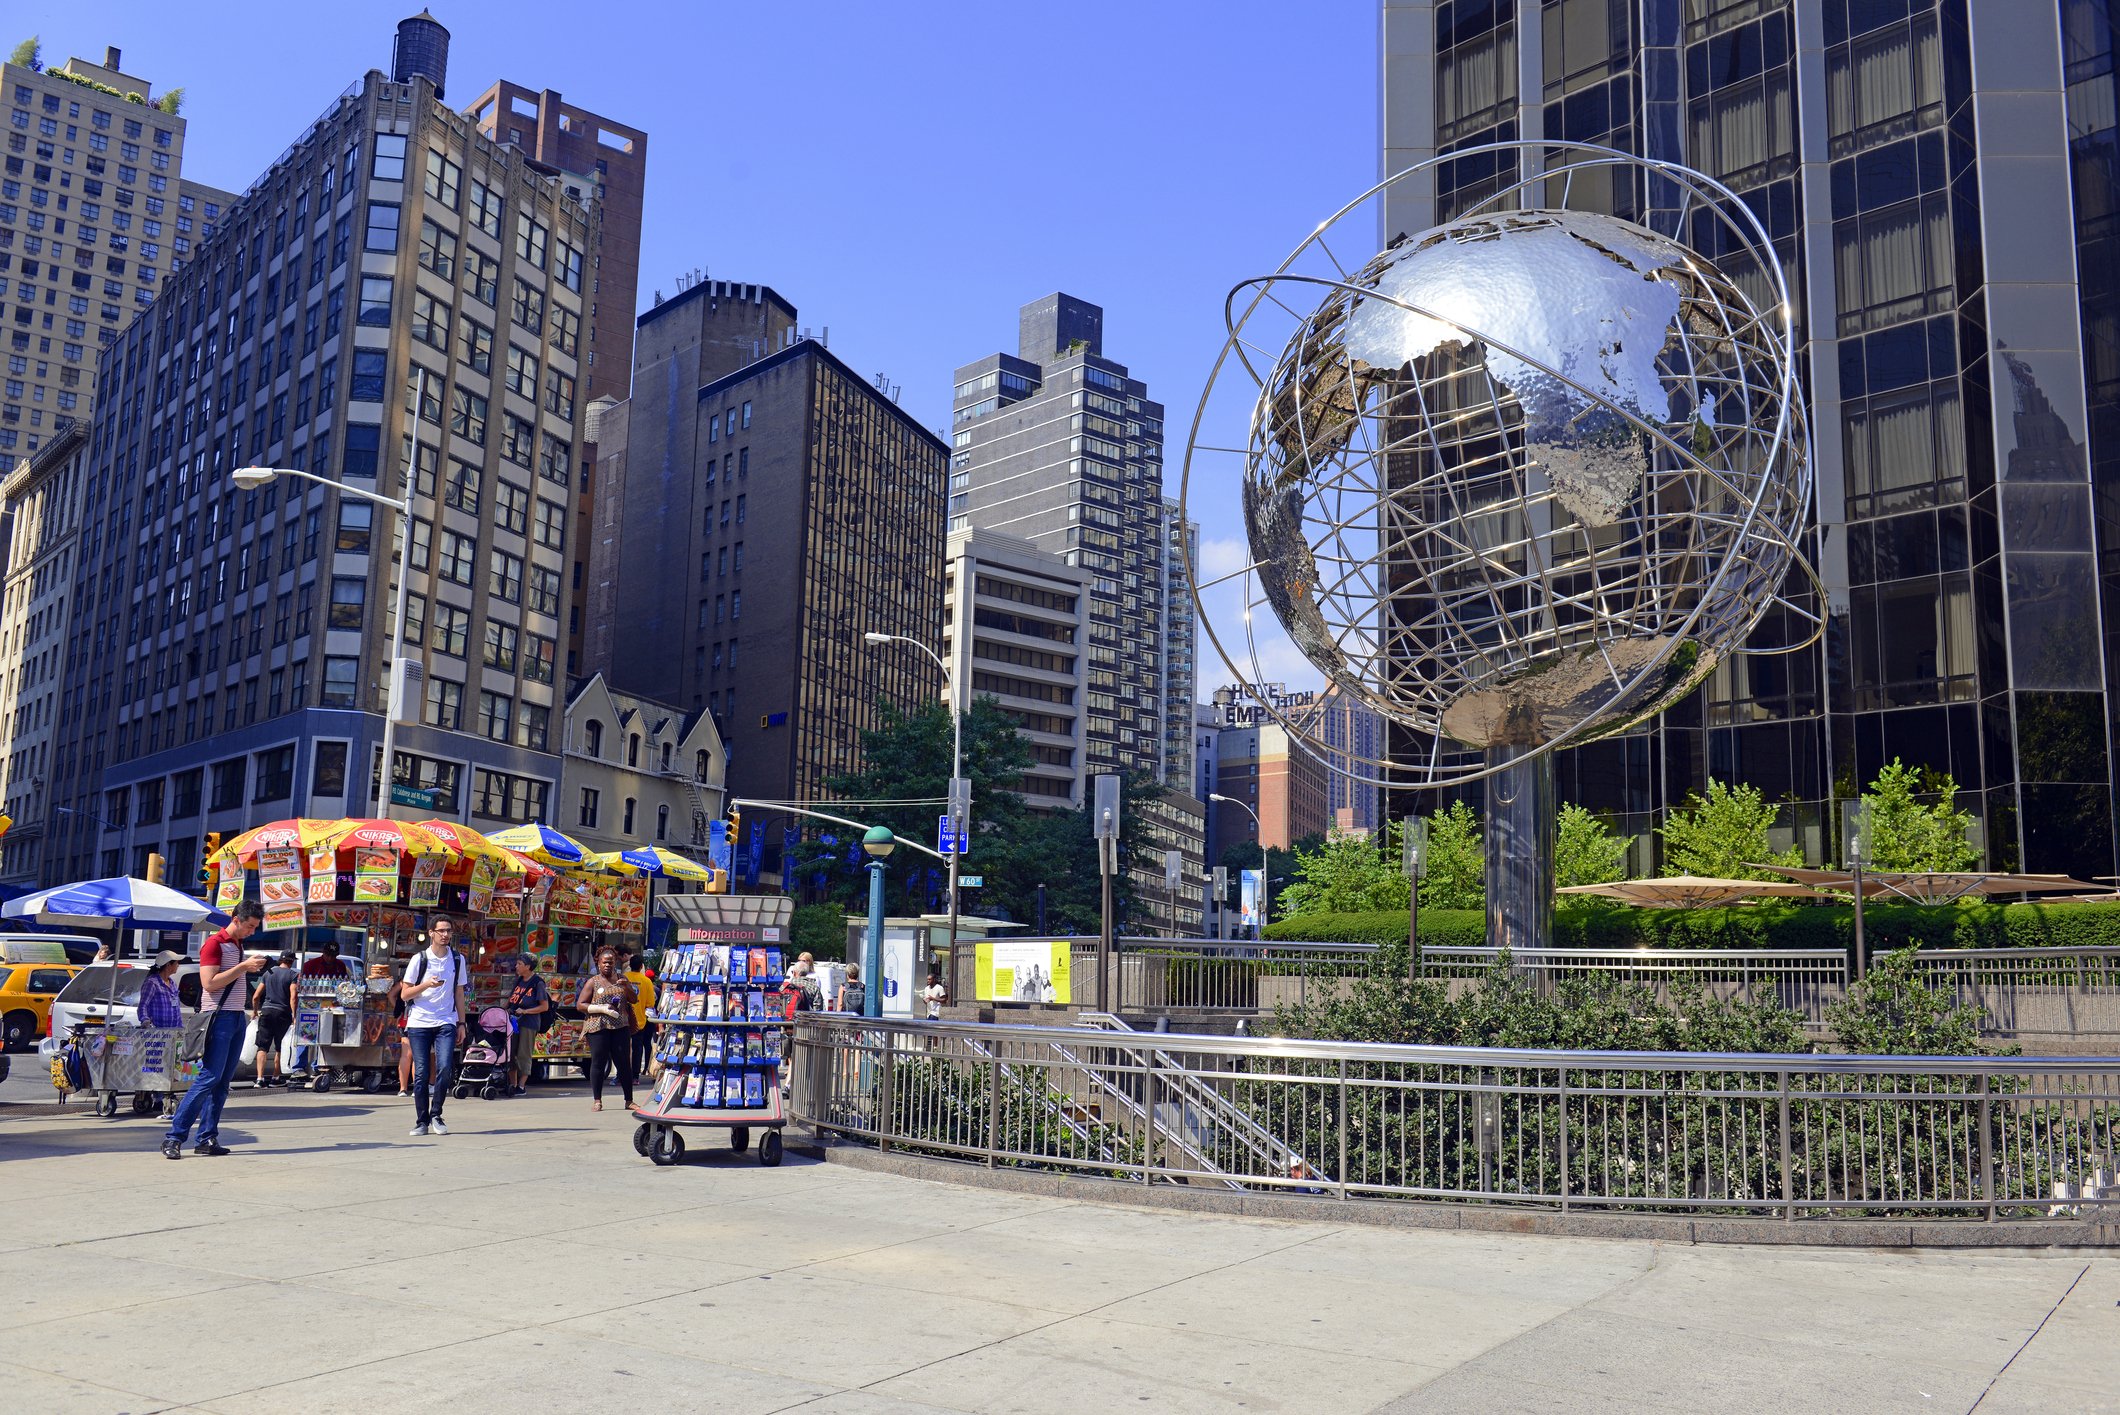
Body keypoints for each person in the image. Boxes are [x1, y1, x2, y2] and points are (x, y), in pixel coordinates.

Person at [162, 901, 267, 1160]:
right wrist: (243, 967)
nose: (252, 932)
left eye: (255, 927)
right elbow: (208, 984)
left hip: (235, 1018)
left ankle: (207, 1137)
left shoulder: (236, 944)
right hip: (218, 1018)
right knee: (209, 1078)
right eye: (250, 926)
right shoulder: (214, 944)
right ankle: (174, 1137)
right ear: (236, 919)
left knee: (221, 1083)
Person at [400, 916, 467, 1137]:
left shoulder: (457, 959)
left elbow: (459, 993)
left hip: (446, 1021)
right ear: (431, 933)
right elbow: (405, 993)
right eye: (441, 931)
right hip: (419, 1022)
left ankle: (436, 1114)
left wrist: (461, 1023)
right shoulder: (419, 959)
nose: (446, 935)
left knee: (445, 1068)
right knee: (420, 1073)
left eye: (448, 931)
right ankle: (421, 1121)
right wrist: (427, 984)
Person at [575, 947, 636, 1113]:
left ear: (615, 962)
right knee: (598, 1063)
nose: (608, 965)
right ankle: (597, 1100)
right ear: (599, 963)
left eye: (611, 962)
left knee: (623, 1063)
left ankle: (629, 1100)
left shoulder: (622, 979)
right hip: (598, 1027)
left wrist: (627, 988)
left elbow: (634, 999)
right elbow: (580, 1005)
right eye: (604, 962)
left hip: (620, 1026)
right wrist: (600, 1008)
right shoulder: (593, 982)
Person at [250, 950, 299, 1088]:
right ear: (292, 961)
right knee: (279, 1046)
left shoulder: (268, 973)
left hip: (266, 1011)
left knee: (262, 1046)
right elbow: (293, 997)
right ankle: (275, 1078)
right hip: (282, 1013)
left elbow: (255, 996)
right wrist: (294, 1016)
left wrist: (255, 1012)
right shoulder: (293, 974)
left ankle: (259, 1079)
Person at [504, 954, 549, 1095]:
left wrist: (526, 1011)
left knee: (524, 1054)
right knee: (510, 1054)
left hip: (528, 1023)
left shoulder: (538, 983)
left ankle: (521, 1087)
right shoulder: (519, 981)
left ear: (528, 966)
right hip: (512, 1022)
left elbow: (544, 1007)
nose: (516, 966)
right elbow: (511, 1000)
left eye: (519, 964)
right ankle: (512, 1084)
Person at [623, 951, 657, 1084]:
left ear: (630, 965)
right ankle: (635, 1077)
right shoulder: (647, 981)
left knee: (623, 1049)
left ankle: (622, 1075)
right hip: (639, 1022)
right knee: (637, 1049)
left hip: (624, 1020)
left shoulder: (624, 977)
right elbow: (650, 1003)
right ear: (641, 966)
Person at [139, 950, 186, 1029]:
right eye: (176, 963)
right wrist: (145, 1020)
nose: (178, 965)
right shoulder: (152, 983)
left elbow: (176, 1009)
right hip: (156, 1034)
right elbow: (143, 1005)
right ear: (168, 965)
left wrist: (180, 1028)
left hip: (173, 1033)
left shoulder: (172, 983)